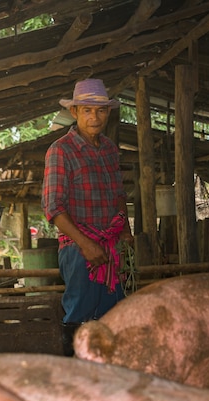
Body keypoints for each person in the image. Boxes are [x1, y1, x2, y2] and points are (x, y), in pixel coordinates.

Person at [42, 78, 133, 356]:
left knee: (113, 316)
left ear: (108, 113)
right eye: (87, 111)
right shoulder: (61, 150)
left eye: (101, 111)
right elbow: (53, 207)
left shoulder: (109, 149)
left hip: (111, 247)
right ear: (75, 112)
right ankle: (74, 379)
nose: (95, 117)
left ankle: (107, 382)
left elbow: (119, 196)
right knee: (80, 316)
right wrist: (85, 244)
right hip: (79, 250)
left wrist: (126, 232)